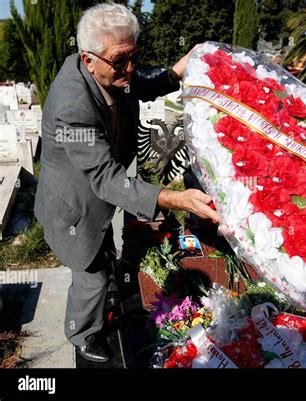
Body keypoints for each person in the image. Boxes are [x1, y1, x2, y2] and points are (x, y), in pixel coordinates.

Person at [34, 3, 217, 363]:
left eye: (135, 55)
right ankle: (82, 335)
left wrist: (180, 67)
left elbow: (142, 86)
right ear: (89, 60)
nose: (130, 69)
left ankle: (97, 309)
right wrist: (176, 199)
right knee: (93, 276)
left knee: (105, 263)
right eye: (121, 61)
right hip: (74, 209)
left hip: (97, 200)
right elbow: (104, 177)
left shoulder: (112, 71)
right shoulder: (72, 108)